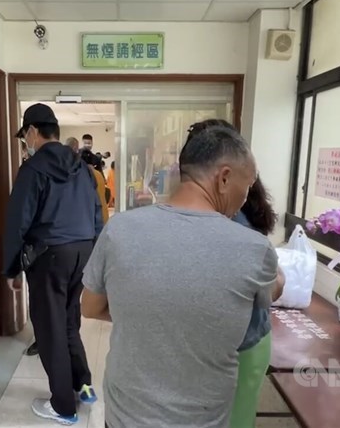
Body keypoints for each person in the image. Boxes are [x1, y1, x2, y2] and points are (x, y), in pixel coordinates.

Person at [81, 125, 279, 428]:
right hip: (202, 420)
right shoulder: (254, 249)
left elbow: (90, 307)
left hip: (125, 415)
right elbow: (270, 295)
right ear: (224, 178)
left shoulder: (119, 229)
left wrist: (148, 314)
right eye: (248, 185)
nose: (246, 197)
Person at [2, 103, 103, 425]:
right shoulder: (84, 169)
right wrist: (96, 256)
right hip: (83, 252)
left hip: (50, 256)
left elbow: (18, 221)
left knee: (50, 331)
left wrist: (11, 267)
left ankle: (63, 406)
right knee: (69, 321)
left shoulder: (32, 170)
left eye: (24, 136)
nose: (25, 143)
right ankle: (83, 384)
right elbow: (97, 214)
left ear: (32, 131)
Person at [185, 120, 285, 428]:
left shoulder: (231, 220)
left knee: (235, 419)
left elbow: (272, 287)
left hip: (241, 344)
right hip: (229, 343)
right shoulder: (223, 210)